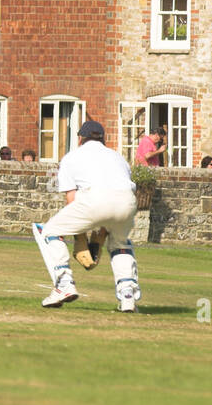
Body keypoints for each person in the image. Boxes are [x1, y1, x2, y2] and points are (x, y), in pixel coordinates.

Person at [31, 119, 141, 312]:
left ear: (80, 138)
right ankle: (128, 294)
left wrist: (80, 238)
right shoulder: (117, 157)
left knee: (49, 231)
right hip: (127, 201)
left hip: (94, 199)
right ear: (103, 139)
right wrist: (100, 236)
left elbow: (72, 199)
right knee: (120, 243)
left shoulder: (72, 157)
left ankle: (64, 283)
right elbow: (115, 197)